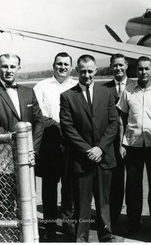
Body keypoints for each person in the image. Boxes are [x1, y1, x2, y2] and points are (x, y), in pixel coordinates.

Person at [60, 54, 119, 242]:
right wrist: (88, 150)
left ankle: (106, 234)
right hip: (82, 160)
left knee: (103, 202)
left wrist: (100, 148)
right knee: (82, 204)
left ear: (96, 70)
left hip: (103, 158)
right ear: (77, 71)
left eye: (90, 71)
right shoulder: (68, 96)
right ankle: (81, 238)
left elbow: (113, 124)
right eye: (83, 71)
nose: (86, 75)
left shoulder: (107, 93)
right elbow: (68, 128)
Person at [0, 53, 44, 220]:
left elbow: (39, 122)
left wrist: (31, 150)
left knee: (28, 201)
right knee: (5, 203)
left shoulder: (29, 92)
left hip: (27, 158)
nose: (9, 70)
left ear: (19, 68)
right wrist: (17, 148)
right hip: (2, 159)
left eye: (12, 66)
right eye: (5, 66)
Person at [117, 56, 151, 235]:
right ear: (135, 71)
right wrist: (121, 143)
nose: (143, 72)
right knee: (132, 186)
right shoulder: (128, 91)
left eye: (147, 69)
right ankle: (133, 222)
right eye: (140, 69)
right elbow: (122, 118)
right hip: (132, 145)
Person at [33, 52, 77, 240]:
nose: (62, 67)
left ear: (71, 67)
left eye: (66, 64)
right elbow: (38, 116)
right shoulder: (41, 86)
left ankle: (68, 223)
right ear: (53, 66)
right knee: (50, 187)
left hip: (72, 143)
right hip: (50, 142)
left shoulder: (77, 85)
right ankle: (50, 226)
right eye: (59, 64)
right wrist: (59, 126)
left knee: (70, 185)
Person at [103, 54, 133, 226]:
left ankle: (132, 218)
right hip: (113, 144)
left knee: (133, 182)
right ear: (111, 67)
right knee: (115, 181)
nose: (118, 69)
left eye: (121, 65)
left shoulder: (135, 86)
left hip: (134, 141)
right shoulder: (104, 89)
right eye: (115, 66)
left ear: (127, 65)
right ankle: (113, 218)